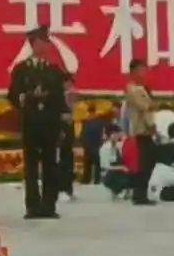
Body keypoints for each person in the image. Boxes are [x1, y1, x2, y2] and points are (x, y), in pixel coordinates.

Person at [6, 25, 65, 219]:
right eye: (43, 41)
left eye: (47, 41)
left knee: (51, 165)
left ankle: (49, 205)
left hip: (50, 124)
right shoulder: (22, 69)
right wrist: (24, 98)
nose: (46, 45)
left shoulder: (54, 70)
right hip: (30, 122)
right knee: (31, 166)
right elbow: (12, 94)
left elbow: (59, 97)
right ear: (34, 44)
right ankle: (32, 205)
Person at [123, 59, 158, 206]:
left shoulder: (139, 88)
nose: (144, 73)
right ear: (133, 72)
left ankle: (140, 193)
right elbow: (146, 107)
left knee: (146, 162)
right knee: (145, 163)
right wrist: (151, 125)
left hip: (143, 130)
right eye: (141, 70)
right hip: (142, 130)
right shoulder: (134, 89)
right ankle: (139, 194)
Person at [57, 72, 76, 201]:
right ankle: (61, 188)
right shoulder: (57, 97)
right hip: (60, 131)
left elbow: (70, 113)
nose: (70, 85)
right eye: (68, 83)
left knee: (69, 161)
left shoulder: (69, 97)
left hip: (69, 131)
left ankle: (69, 189)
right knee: (62, 162)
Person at [79, 103, 105, 184]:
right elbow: (100, 134)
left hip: (87, 145)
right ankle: (97, 179)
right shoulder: (99, 121)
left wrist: (82, 143)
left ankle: (86, 179)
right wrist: (101, 143)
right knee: (97, 163)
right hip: (95, 145)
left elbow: (82, 134)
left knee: (87, 163)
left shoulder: (85, 122)